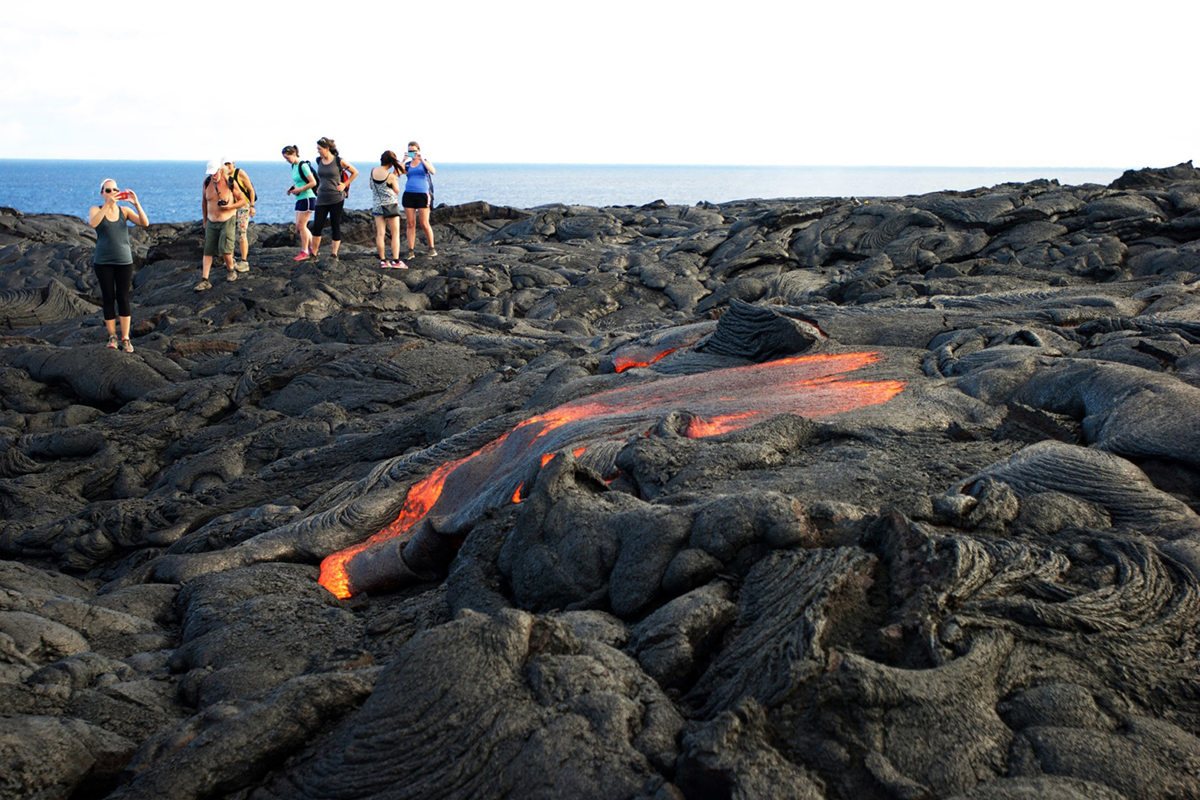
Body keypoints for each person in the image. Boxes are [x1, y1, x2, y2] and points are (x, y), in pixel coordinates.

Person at [88, 179, 149, 352]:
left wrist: (136, 203)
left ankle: (126, 338)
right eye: (108, 190)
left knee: (123, 297)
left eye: (115, 189)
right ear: (102, 193)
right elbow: (94, 223)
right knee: (108, 298)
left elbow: (145, 223)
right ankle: (112, 336)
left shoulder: (125, 211)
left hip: (124, 261)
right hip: (103, 261)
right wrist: (108, 205)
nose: (112, 192)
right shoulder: (96, 209)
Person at [196, 157, 247, 290]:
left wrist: (230, 207)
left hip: (227, 220)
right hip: (212, 221)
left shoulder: (230, 182)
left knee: (225, 249)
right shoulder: (207, 182)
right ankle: (205, 279)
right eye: (211, 174)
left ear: (220, 170)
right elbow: (204, 202)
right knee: (208, 250)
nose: (213, 176)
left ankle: (231, 270)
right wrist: (205, 220)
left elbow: (242, 201)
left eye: (215, 173)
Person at [309, 137, 357, 261]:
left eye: (319, 149)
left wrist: (344, 184)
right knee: (317, 225)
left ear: (327, 148)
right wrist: (319, 187)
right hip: (321, 198)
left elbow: (355, 172)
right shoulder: (319, 160)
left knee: (335, 224)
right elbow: (322, 177)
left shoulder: (338, 161)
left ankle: (334, 254)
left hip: (336, 198)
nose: (318, 151)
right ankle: (314, 253)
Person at [370, 151, 407, 268]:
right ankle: (396, 261)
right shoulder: (390, 176)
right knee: (395, 233)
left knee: (380, 234)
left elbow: (371, 186)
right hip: (390, 205)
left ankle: (383, 261)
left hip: (377, 205)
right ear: (391, 163)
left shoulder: (373, 171)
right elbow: (397, 190)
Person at [402, 141, 437, 259]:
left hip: (422, 194)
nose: (412, 153)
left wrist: (421, 159)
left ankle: (432, 248)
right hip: (409, 194)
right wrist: (403, 160)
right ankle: (410, 250)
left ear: (419, 150)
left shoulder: (424, 162)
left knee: (424, 223)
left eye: (414, 151)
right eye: (410, 151)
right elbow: (399, 172)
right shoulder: (407, 164)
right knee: (410, 223)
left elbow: (432, 171)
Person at [282, 145, 317, 260]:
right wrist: (292, 188)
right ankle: (313, 249)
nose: (287, 161)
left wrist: (300, 190)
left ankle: (305, 251)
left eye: (287, 158)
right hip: (299, 198)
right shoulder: (294, 166)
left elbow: (313, 182)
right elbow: (299, 181)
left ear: (293, 154)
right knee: (300, 225)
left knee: (301, 225)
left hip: (307, 198)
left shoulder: (303, 165)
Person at [224, 159, 256, 272]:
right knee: (230, 234)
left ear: (233, 163)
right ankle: (230, 260)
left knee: (242, 233)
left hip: (243, 206)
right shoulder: (223, 175)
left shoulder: (239, 173)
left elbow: (250, 189)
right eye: (225, 164)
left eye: (229, 163)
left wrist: (252, 206)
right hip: (232, 207)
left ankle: (244, 261)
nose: (227, 166)